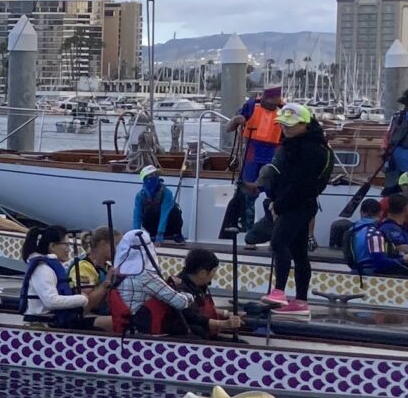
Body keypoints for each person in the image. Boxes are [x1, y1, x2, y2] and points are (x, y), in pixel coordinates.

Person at [260, 103, 330, 313]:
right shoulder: (302, 145)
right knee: (299, 253)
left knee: (278, 243)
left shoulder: (311, 149)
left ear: (305, 124)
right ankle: (300, 302)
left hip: (297, 204)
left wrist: (279, 205)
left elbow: (301, 183)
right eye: (283, 125)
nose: (285, 129)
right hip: (300, 204)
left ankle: (279, 291)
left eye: (290, 126)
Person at [114, 242, 243, 338]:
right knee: (199, 331)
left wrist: (227, 314)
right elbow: (193, 317)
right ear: (203, 273)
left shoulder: (200, 286)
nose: (214, 275)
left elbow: (203, 307)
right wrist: (224, 324)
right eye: (214, 272)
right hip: (182, 332)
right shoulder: (179, 288)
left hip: (202, 330)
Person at [221, 83, 285, 236]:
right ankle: (247, 230)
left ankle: (274, 229)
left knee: (274, 194)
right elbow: (228, 128)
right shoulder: (250, 107)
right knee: (248, 193)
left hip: (274, 154)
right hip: (252, 152)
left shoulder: (284, 110)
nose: (273, 101)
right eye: (270, 98)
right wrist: (236, 120)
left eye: (276, 98)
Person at [19, 226, 94, 329]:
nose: (69, 249)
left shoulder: (50, 267)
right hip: (41, 325)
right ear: (52, 246)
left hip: (54, 322)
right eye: (66, 244)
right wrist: (81, 299)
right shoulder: (43, 269)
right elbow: (51, 301)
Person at [71, 227, 118, 319]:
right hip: (86, 317)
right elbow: (86, 304)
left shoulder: (106, 267)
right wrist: (106, 282)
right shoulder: (83, 267)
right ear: (103, 244)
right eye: (117, 244)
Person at [133, 164, 186, 243]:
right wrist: (135, 234)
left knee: (175, 210)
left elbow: (165, 212)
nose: (153, 177)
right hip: (152, 225)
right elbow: (137, 215)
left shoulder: (167, 192)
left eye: (155, 174)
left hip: (168, 224)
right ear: (144, 179)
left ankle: (176, 233)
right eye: (150, 176)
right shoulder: (140, 196)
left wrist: (160, 233)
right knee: (148, 212)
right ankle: (153, 234)